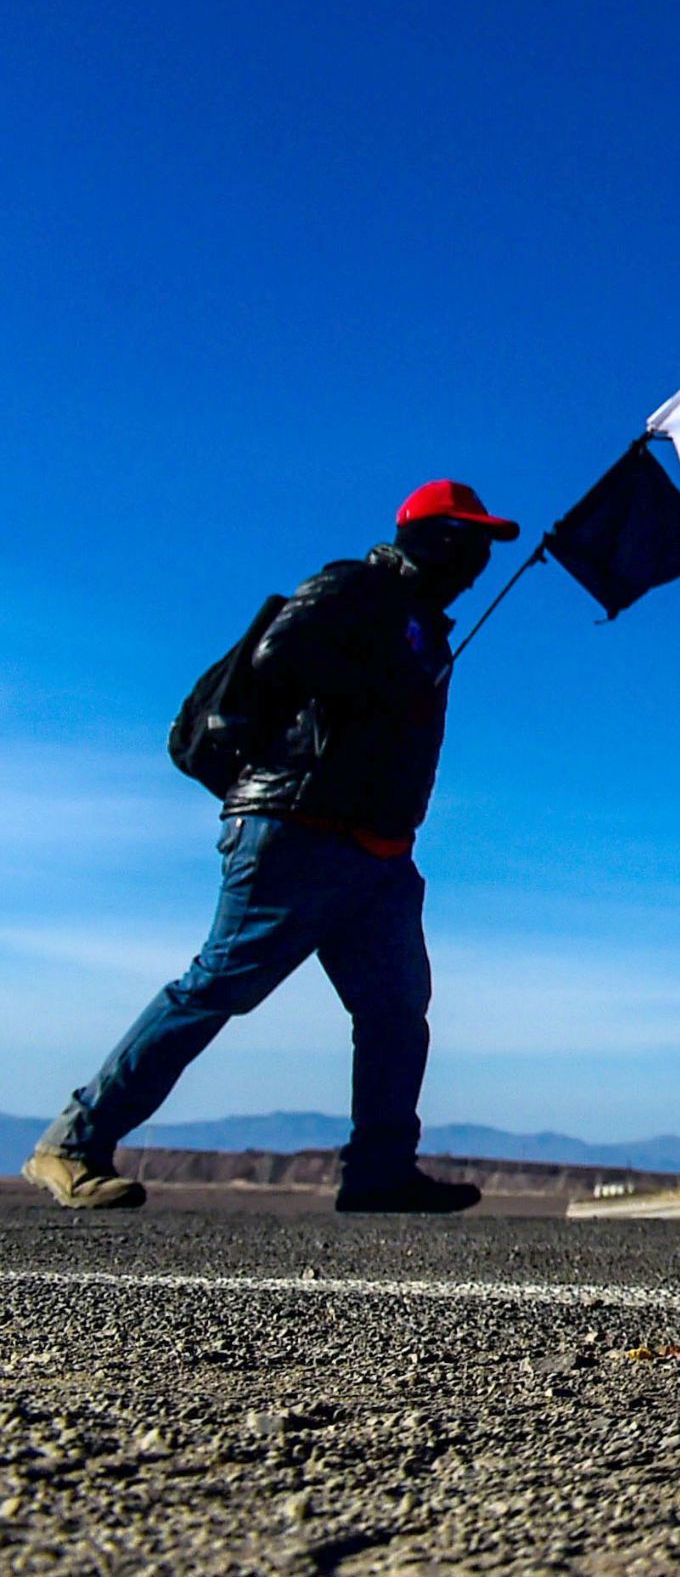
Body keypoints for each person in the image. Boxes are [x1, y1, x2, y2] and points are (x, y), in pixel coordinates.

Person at [27, 481, 523, 1214]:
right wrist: (381, 682)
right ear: (427, 535)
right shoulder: (357, 584)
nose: (480, 557)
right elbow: (278, 650)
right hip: (296, 829)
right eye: (468, 539)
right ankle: (72, 1143)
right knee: (217, 986)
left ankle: (378, 1169)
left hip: (379, 853)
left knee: (395, 1008)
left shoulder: (424, 624)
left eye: (486, 544)